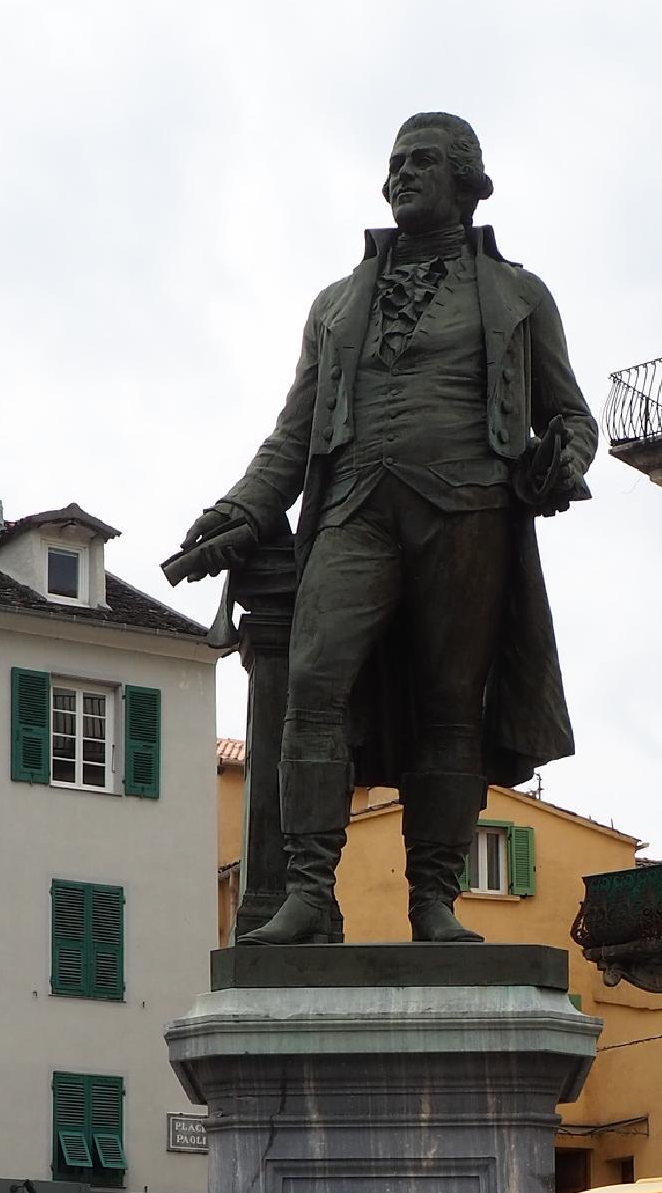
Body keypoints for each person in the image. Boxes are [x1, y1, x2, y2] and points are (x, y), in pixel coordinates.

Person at [170, 111, 595, 945]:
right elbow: (293, 434)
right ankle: (306, 892)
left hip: (468, 513)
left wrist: (562, 460)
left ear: (467, 182)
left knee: (451, 707)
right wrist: (241, 508)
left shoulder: (520, 297)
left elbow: (571, 417)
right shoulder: (335, 305)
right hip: (353, 510)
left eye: (422, 161)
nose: (401, 174)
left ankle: (434, 899)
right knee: (313, 683)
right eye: (395, 162)